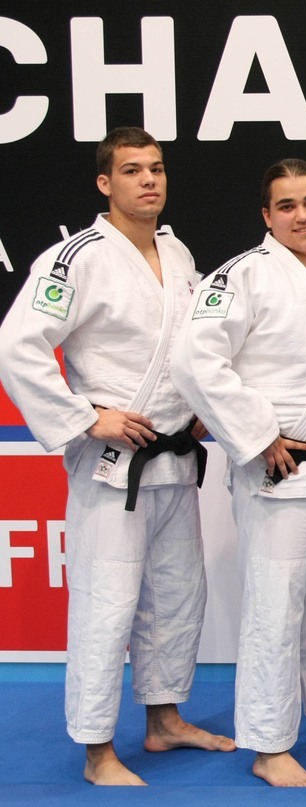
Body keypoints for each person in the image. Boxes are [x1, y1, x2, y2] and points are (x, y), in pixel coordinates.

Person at [0, 126, 234, 785]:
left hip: (173, 458)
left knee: (177, 594)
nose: (149, 180)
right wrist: (85, 416)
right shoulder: (76, 258)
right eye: (132, 170)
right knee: (106, 604)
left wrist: (200, 408)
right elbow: (17, 345)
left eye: (156, 168)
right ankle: (97, 747)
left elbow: (191, 350)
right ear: (106, 183)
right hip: (112, 465)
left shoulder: (177, 252)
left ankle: (165, 719)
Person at [171, 158, 306, 787]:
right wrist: (255, 432)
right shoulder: (243, 275)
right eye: (288, 206)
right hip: (285, 474)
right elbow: (194, 361)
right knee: (276, 609)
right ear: (268, 216)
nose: (303, 216)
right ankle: (269, 744)